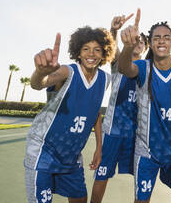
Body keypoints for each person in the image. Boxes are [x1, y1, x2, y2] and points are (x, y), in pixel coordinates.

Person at [24, 27, 115, 203]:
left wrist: (99, 147)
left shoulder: (105, 79)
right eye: (86, 49)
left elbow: (95, 113)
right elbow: (39, 83)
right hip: (44, 151)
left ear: (104, 53)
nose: (91, 53)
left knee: (80, 198)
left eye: (97, 49)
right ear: (78, 52)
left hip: (71, 156)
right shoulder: (68, 71)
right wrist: (41, 72)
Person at [118, 10, 171, 203]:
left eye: (166, 37)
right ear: (150, 43)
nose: (161, 41)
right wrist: (127, 47)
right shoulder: (144, 67)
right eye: (156, 37)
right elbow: (125, 68)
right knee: (141, 199)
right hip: (147, 149)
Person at [90, 14, 148, 203]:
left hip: (136, 134)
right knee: (102, 174)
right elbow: (114, 52)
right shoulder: (118, 65)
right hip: (112, 132)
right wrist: (114, 30)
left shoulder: (148, 70)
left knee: (141, 179)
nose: (138, 43)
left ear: (146, 48)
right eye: (136, 40)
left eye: (142, 42)